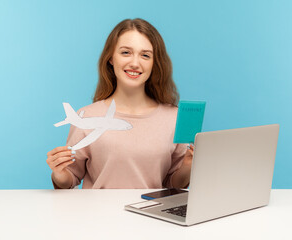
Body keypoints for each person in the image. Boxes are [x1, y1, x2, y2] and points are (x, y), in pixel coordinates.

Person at [46, 18, 193, 189]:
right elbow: (68, 180)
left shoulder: (175, 118)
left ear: (155, 63)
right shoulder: (86, 115)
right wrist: (59, 172)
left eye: (145, 55)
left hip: (151, 214)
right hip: (97, 214)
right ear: (110, 58)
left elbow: (173, 185)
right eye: (125, 53)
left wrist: (188, 166)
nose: (135, 63)